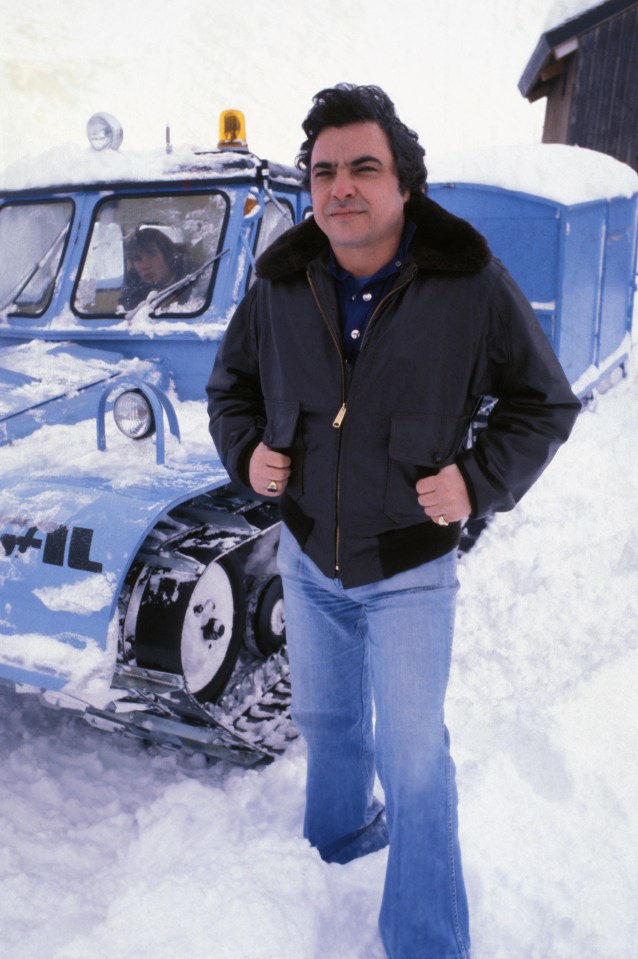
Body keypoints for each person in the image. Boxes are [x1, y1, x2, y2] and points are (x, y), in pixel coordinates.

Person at [206, 84, 581, 959]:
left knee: (415, 762)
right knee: (330, 725)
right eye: (324, 170)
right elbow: (233, 389)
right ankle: (335, 845)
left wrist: (479, 480)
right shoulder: (279, 281)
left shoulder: (470, 281)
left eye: (362, 167)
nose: (340, 187)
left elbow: (544, 402)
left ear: (404, 181)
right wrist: (246, 454)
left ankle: (425, 941)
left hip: (409, 571)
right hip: (306, 554)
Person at [119, 226, 184, 310]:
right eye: (137, 259)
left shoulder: (194, 283)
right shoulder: (132, 294)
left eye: (151, 255)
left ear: (167, 255)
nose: (145, 265)